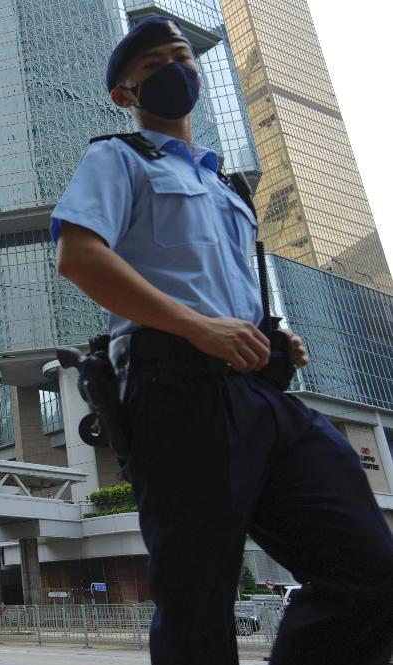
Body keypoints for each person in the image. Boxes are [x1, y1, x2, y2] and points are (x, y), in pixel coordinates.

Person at [50, 15, 393, 664]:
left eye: (181, 56)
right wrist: (194, 324)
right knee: (197, 610)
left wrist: (273, 337)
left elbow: (235, 294)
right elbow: (79, 255)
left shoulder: (231, 187)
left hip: (264, 400)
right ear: (124, 94)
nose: (175, 68)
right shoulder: (118, 158)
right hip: (177, 397)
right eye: (153, 65)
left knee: (371, 571)